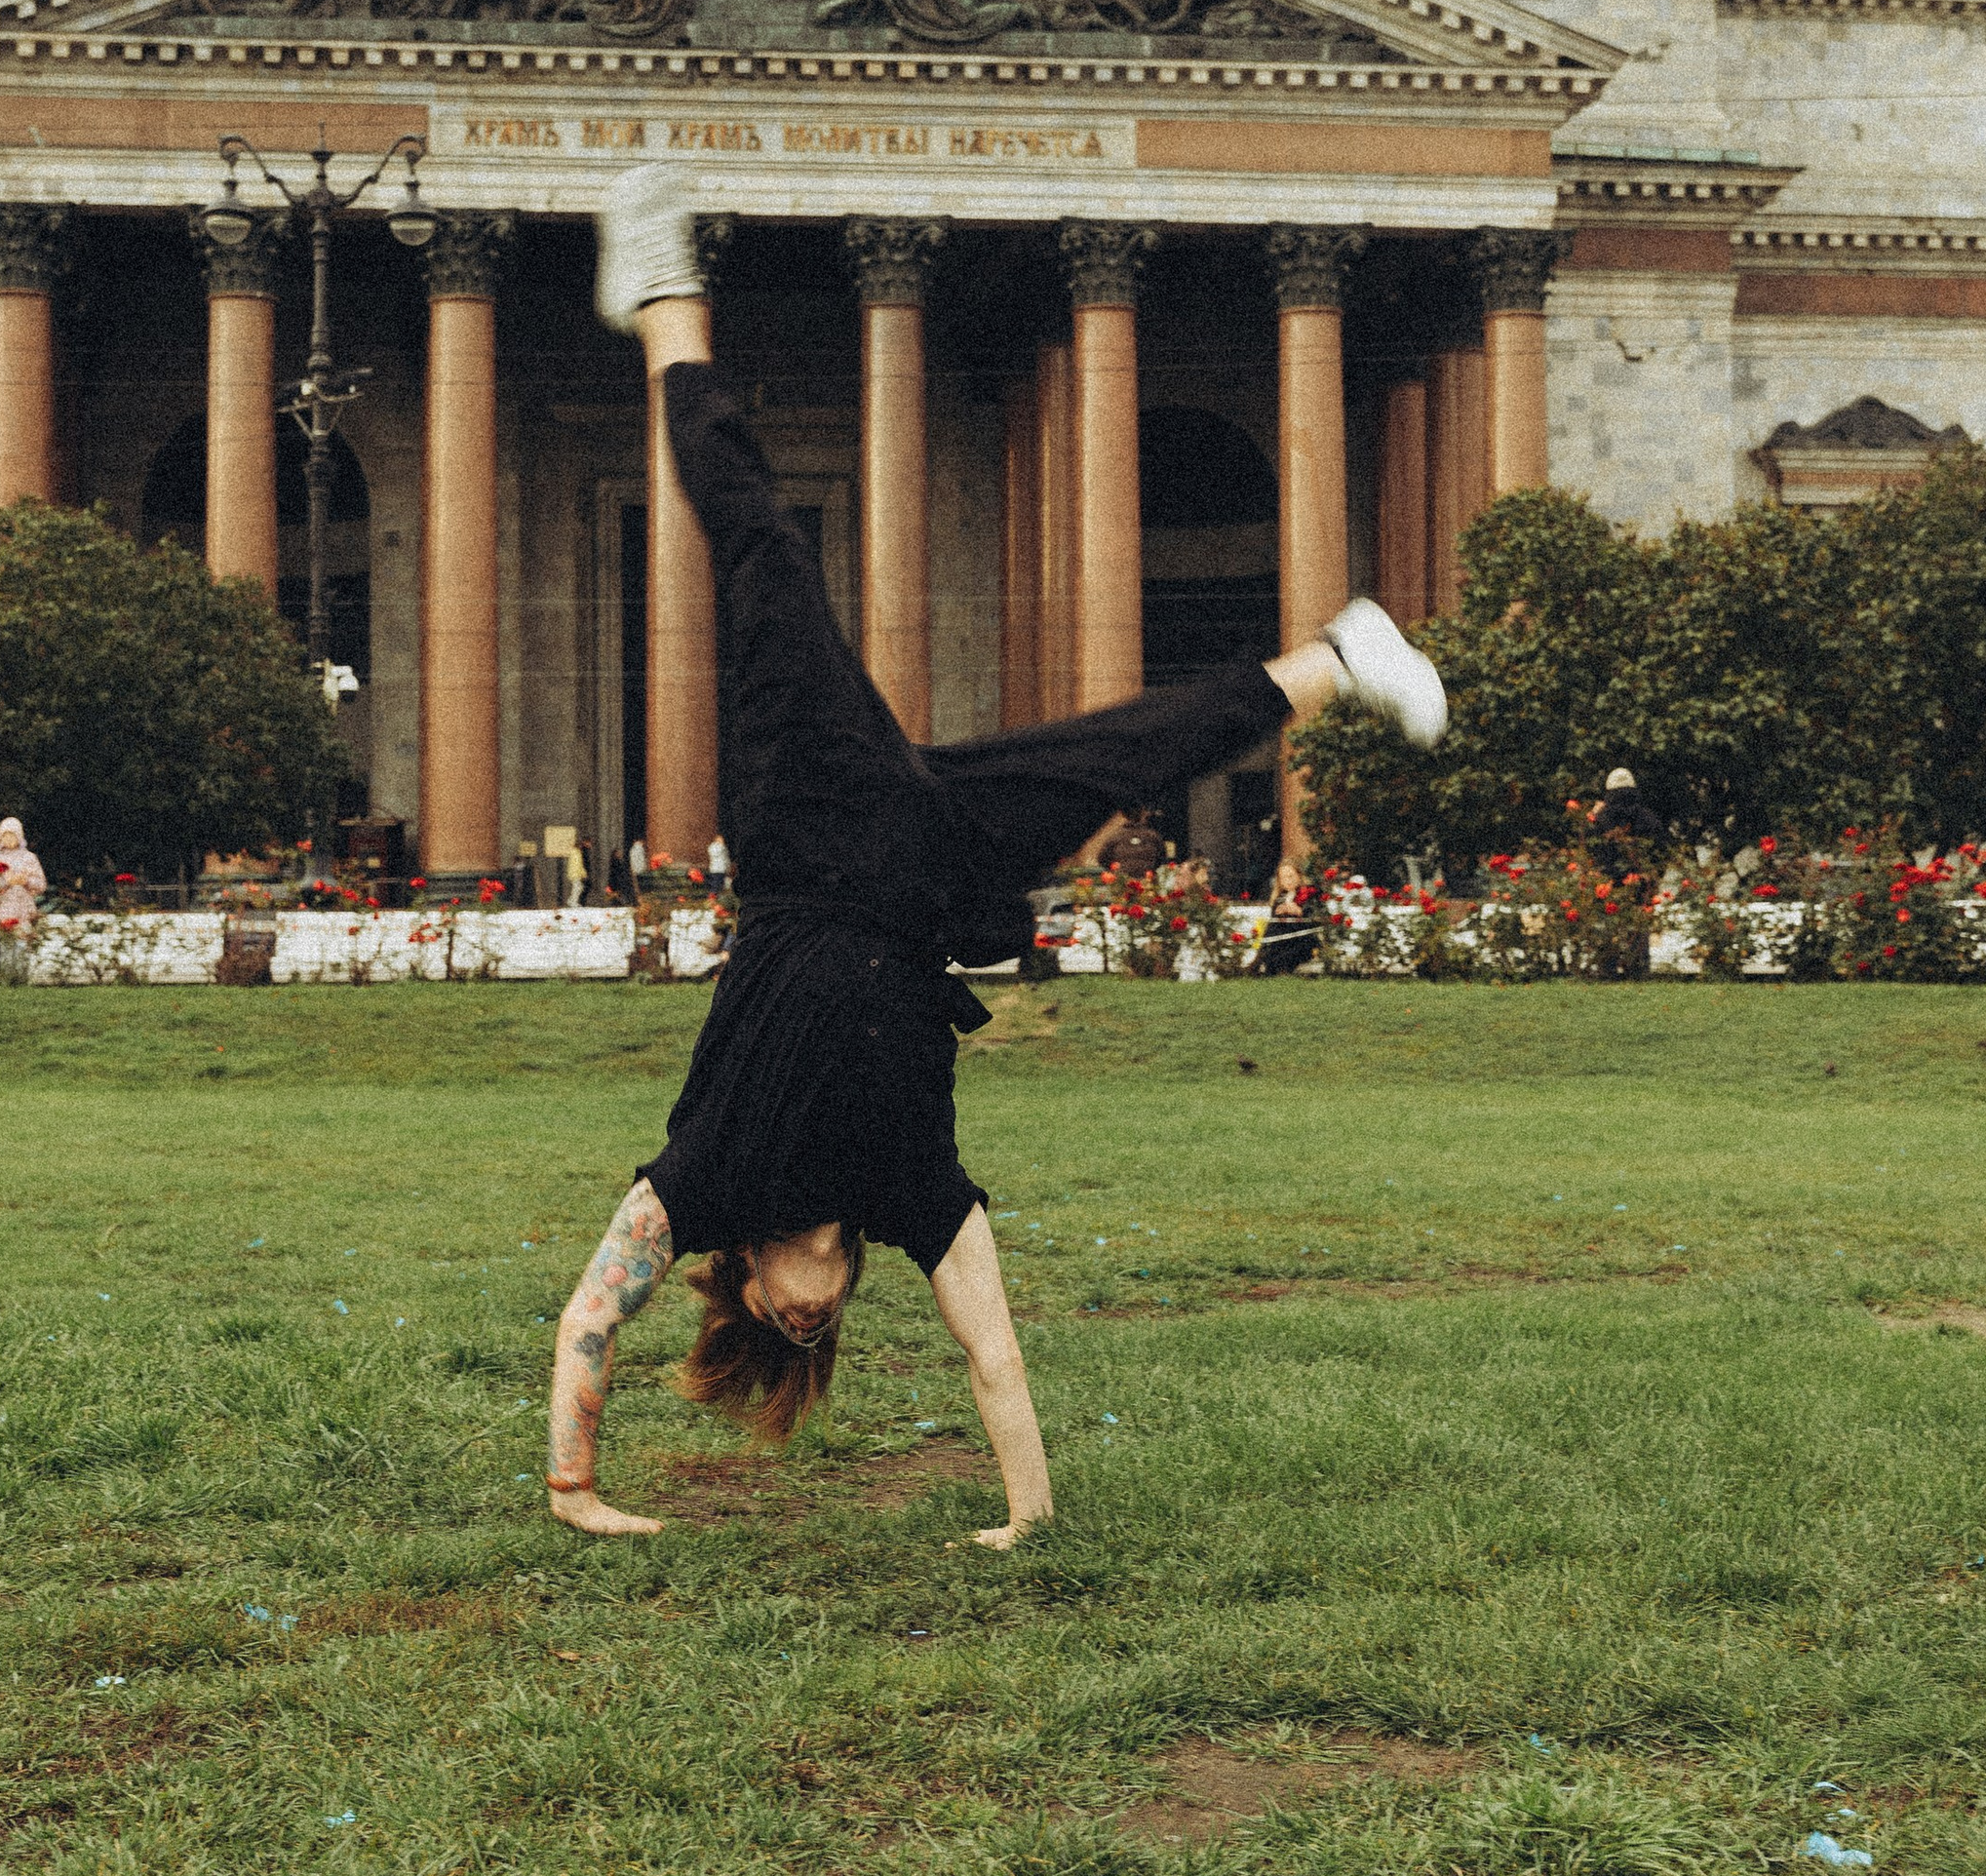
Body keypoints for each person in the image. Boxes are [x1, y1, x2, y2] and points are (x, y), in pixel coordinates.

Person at [541, 170, 1449, 1554]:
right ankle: (1335, 658)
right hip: (927, 877)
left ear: (745, 1285)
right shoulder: (912, 1192)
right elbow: (995, 1356)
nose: (809, 1317)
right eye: (821, 1331)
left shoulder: (705, 1178)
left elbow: (591, 1321)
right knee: (1117, 758)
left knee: (766, 557)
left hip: (807, 832)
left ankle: (665, 296)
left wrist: (573, 1490)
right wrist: (1027, 1518)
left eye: (784, 1324)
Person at [0, 816, 47, 985]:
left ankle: (21, 981)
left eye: (12, 835)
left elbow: (41, 884)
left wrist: (26, 881)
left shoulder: (29, 857)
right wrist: (6, 882)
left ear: (19, 836)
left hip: (23, 910)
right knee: (4, 946)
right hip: (2, 910)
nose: (9, 839)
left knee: (22, 945)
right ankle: (4, 981)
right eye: (5, 835)